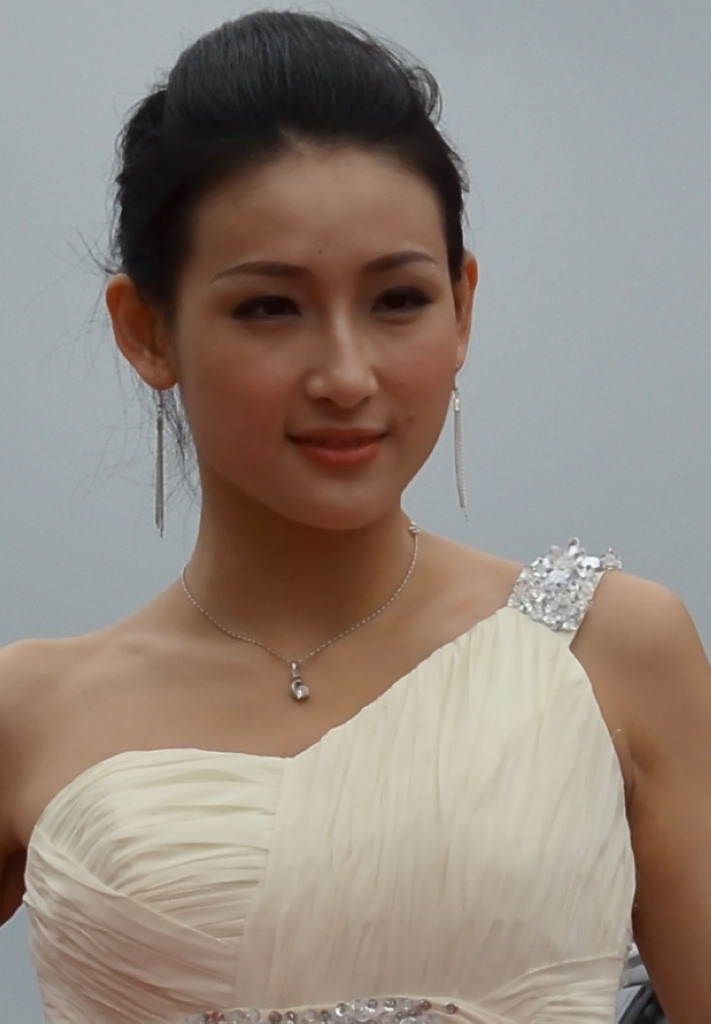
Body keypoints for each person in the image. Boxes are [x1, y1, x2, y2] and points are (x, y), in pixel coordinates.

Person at [0, 10, 709, 1024]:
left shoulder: (617, 652)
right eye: (270, 308)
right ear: (146, 330)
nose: (345, 374)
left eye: (398, 300)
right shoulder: (28, 711)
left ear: (463, 307)